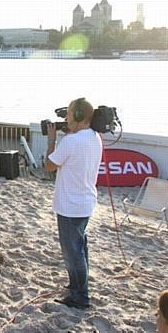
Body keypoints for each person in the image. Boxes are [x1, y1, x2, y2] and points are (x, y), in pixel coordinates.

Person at [44, 97, 102, 310]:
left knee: (73, 252)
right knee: (80, 247)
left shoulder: (71, 141)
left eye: (68, 114)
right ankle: (77, 286)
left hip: (70, 205)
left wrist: (51, 140)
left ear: (78, 116)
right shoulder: (94, 137)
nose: (65, 118)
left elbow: (49, 165)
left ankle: (80, 296)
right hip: (85, 203)